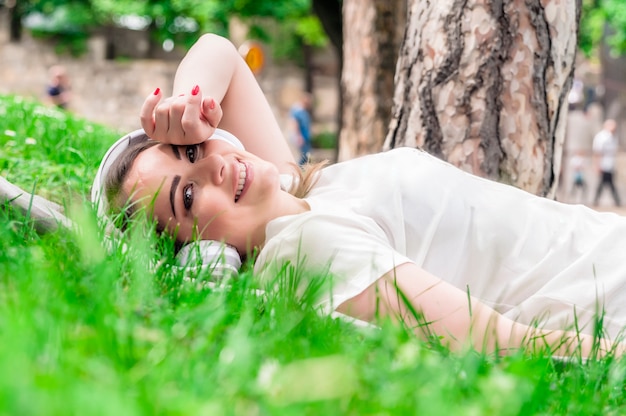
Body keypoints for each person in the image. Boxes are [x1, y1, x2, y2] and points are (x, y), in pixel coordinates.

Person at [94, 34, 626, 359]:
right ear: (196, 251)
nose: (211, 165)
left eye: (192, 149)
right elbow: (496, 342)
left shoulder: (298, 191)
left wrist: (189, 105)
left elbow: (220, 53)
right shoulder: (302, 247)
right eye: (186, 197)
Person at [592, 119, 620, 207]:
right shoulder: (602, 137)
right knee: (606, 184)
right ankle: (616, 201)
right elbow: (598, 152)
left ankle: (597, 200)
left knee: (607, 183)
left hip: (610, 164)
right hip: (603, 164)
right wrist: (597, 165)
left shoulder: (614, 137)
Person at [288, 92, 313, 165]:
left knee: (306, 156)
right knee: (303, 157)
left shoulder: (304, 111)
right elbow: (294, 123)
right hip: (301, 137)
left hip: (306, 137)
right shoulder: (297, 110)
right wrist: (298, 136)